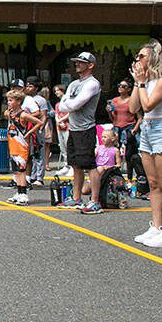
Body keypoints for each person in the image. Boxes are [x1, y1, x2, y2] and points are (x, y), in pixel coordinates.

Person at [128, 40, 162, 248]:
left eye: (141, 56)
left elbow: (149, 105)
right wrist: (137, 82)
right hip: (148, 129)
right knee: (152, 182)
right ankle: (156, 227)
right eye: (137, 56)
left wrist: (141, 84)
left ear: (152, 58)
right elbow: (134, 107)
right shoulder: (145, 81)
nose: (137, 59)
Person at [56, 51, 103, 213]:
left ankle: (95, 201)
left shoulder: (93, 83)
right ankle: (76, 198)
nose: (77, 64)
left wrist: (69, 104)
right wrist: (69, 104)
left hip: (86, 129)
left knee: (90, 165)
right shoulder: (74, 84)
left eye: (81, 62)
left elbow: (77, 103)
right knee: (75, 164)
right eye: (76, 62)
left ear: (90, 65)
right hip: (74, 129)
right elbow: (62, 104)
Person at [4, 88, 43, 205]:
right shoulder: (10, 113)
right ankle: (18, 192)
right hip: (13, 143)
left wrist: (29, 132)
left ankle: (23, 194)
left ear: (18, 101)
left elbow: (39, 122)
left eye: (11, 100)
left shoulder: (24, 114)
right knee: (15, 170)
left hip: (21, 144)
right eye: (8, 100)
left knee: (21, 170)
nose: (8, 103)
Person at [22, 77, 48, 187]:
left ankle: (39, 177)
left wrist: (41, 128)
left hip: (36, 129)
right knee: (30, 153)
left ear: (36, 88)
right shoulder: (24, 98)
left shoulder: (41, 100)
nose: (28, 88)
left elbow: (43, 115)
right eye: (27, 86)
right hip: (27, 129)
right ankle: (31, 176)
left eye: (31, 86)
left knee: (39, 153)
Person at [53, 83, 71, 174]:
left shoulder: (68, 102)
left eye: (58, 90)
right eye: (55, 91)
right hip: (60, 127)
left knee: (68, 146)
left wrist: (62, 120)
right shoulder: (57, 104)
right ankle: (66, 164)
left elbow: (70, 113)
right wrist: (59, 121)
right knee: (62, 146)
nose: (56, 93)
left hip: (68, 126)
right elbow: (56, 114)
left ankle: (71, 166)